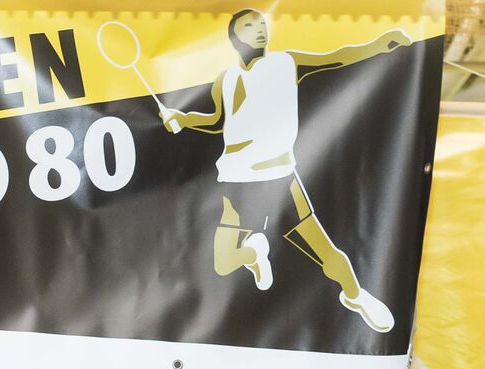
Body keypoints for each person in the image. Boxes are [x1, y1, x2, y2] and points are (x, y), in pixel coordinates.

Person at [159, 9, 413, 332]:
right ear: (235, 38)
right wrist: (182, 119)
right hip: (235, 180)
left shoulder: (286, 63)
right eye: (249, 26)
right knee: (223, 263)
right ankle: (253, 255)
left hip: (278, 179)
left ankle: (356, 296)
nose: (260, 29)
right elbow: (217, 121)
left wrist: (377, 44)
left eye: (261, 24)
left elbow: (337, 57)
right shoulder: (226, 79)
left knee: (324, 251)